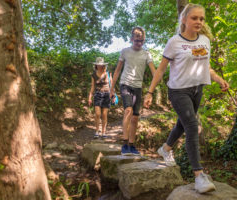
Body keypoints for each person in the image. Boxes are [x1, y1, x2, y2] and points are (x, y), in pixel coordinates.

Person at [143, 3, 229, 193]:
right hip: (178, 91)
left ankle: (165, 149)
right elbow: (161, 69)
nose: (198, 22)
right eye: (194, 18)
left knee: (182, 124)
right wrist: (149, 92)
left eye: (201, 19)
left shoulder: (205, 41)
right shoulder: (174, 42)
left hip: (197, 90)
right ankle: (199, 176)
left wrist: (218, 79)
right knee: (191, 126)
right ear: (184, 19)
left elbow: (206, 67)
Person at [110, 27, 156, 156]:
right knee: (128, 110)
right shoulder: (125, 52)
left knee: (135, 118)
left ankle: (131, 145)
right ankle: (124, 144)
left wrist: (153, 88)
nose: (139, 43)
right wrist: (112, 88)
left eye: (141, 41)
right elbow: (117, 70)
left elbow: (155, 72)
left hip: (138, 87)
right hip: (125, 84)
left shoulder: (146, 54)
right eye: (136, 40)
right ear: (131, 39)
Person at [88, 57, 113, 138]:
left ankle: (104, 132)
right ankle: (97, 131)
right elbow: (92, 86)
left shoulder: (108, 73)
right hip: (98, 94)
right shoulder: (93, 75)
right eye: (98, 65)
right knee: (98, 114)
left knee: (105, 114)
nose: (100, 66)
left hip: (107, 94)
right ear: (96, 65)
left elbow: (111, 85)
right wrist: (90, 97)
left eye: (101, 65)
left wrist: (113, 95)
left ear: (103, 65)